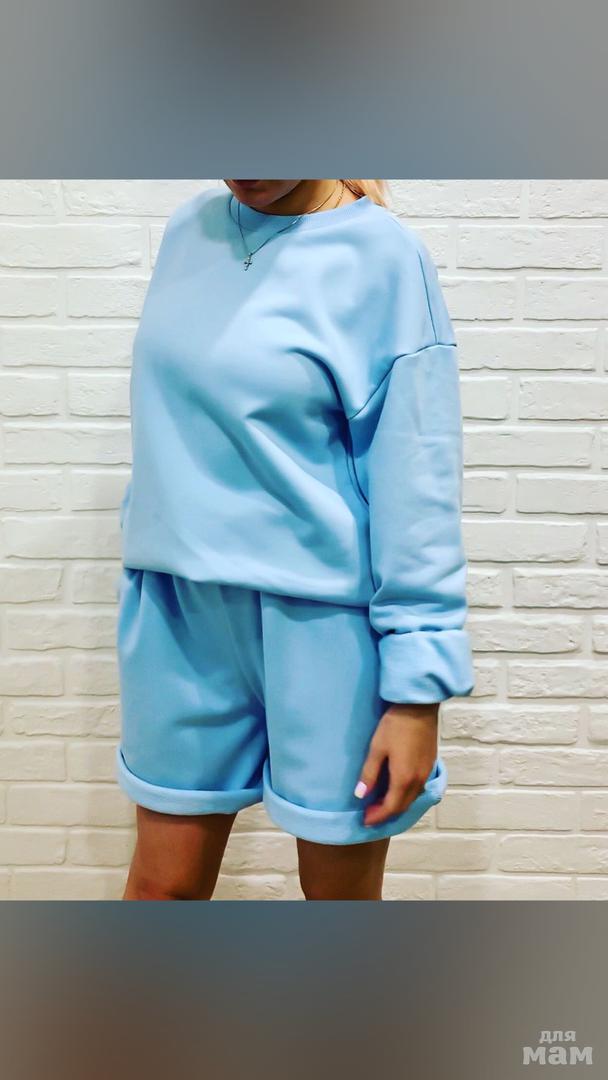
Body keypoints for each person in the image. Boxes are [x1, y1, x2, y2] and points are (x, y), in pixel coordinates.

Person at [114, 179, 475, 901]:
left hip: (322, 629)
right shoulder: (191, 230)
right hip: (178, 617)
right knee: (162, 890)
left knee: (337, 906)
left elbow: (417, 481)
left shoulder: (383, 258)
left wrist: (418, 692)